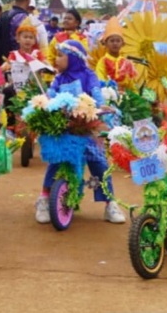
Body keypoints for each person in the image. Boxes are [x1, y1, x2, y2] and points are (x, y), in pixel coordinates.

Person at [35, 40, 126, 225]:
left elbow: (95, 92)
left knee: (98, 162)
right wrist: (43, 103)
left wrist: (99, 106)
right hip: (65, 127)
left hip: (87, 127)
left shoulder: (88, 75)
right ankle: (44, 198)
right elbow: (51, 94)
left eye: (61, 55)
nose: (57, 59)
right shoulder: (59, 78)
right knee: (56, 159)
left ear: (74, 58)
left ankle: (110, 203)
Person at [0, 0, 31, 67]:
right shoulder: (23, 17)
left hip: (4, 62)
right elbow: (21, 45)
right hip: (18, 65)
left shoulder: (6, 15)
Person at [94, 16, 137, 91]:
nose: (115, 43)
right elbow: (100, 82)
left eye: (118, 41)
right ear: (106, 43)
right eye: (112, 41)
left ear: (122, 43)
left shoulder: (127, 63)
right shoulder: (102, 62)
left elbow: (132, 85)